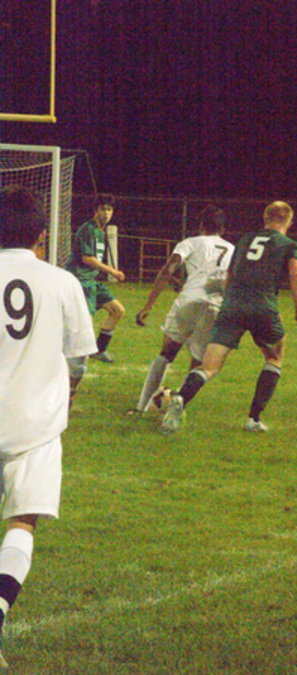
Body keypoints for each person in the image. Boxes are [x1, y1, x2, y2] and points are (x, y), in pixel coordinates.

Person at [0, 186, 97, 668]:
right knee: (23, 521)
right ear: (42, 235)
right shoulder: (62, 281)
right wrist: (70, 396)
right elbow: (78, 356)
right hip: (34, 424)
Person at [162, 200, 297, 435]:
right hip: (262, 306)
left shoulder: (244, 240)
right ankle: (254, 418)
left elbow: (229, 275)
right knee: (274, 357)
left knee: (209, 366)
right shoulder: (290, 245)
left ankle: (181, 397)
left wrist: (230, 301)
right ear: (290, 222)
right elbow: (296, 273)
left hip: (231, 306)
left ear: (265, 218)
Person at [129, 205, 235, 414]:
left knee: (167, 353)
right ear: (222, 229)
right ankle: (178, 407)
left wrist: (148, 306)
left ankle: (142, 407)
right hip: (215, 306)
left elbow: (168, 269)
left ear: (201, 225)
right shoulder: (233, 249)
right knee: (198, 362)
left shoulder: (191, 242)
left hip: (190, 301)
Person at [66, 194, 125, 364]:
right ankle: (74, 360)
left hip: (91, 282)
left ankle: (99, 350)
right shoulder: (88, 229)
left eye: (109, 210)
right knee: (86, 323)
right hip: (80, 281)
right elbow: (87, 259)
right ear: (95, 210)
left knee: (117, 310)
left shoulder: (101, 231)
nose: (106, 213)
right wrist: (112, 271)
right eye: (103, 209)